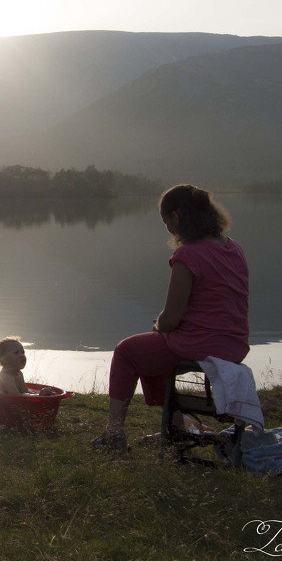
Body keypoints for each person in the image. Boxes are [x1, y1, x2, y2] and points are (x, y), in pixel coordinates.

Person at [91, 184, 250, 451]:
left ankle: (114, 434)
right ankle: (175, 426)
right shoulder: (233, 248)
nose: (167, 228)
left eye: (166, 221)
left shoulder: (187, 255)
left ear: (177, 217)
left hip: (201, 344)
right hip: (234, 345)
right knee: (151, 350)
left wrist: (159, 325)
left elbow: (171, 318)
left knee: (127, 350)